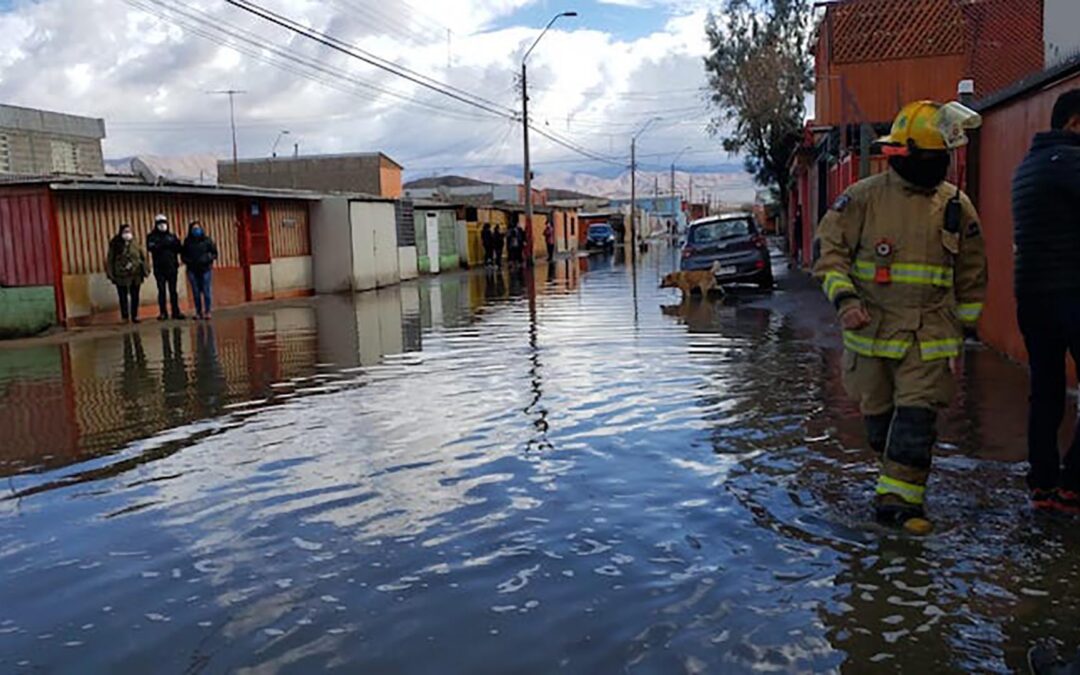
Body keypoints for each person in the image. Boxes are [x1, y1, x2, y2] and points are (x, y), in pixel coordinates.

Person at [813, 100, 988, 531]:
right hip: (870, 335)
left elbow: (972, 271)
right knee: (881, 428)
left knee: (916, 421)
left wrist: (963, 329)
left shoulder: (955, 205)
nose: (938, 167)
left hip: (928, 336)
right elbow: (829, 255)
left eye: (941, 159)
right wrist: (846, 303)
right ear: (903, 154)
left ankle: (900, 509)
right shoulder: (863, 198)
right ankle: (895, 482)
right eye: (931, 159)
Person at [1012, 89, 1080, 512]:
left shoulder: (1027, 166)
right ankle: (1073, 483)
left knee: (1047, 391)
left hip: (1032, 297)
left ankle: (1042, 484)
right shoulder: (1072, 162)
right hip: (1073, 292)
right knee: (1049, 391)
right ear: (1074, 123)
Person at [106, 223, 150, 324]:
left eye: (129, 231)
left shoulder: (135, 243)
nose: (127, 234)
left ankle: (135, 316)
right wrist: (111, 273)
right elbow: (110, 259)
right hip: (121, 274)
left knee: (135, 295)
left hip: (135, 274)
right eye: (125, 231)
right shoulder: (115, 244)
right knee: (123, 296)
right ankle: (125, 316)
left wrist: (146, 270)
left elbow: (142, 256)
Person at [146, 214, 185, 321]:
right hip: (159, 269)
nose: (162, 225)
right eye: (160, 223)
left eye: (164, 223)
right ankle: (163, 312)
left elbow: (179, 248)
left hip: (172, 267)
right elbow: (151, 247)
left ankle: (176, 311)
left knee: (173, 291)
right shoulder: (151, 237)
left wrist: (173, 243)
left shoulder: (172, 236)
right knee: (162, 291)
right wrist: (164, 243)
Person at [181, 220, 218, 320]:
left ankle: (208, 311)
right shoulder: (187, 242)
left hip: (205, 269)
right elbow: (183, 255)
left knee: (206, 290)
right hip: (192, 270)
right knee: (196, 292)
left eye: (198, 228)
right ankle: (198, 312)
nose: (196, 230)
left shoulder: (207, 240)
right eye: (194, 229)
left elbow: (214, 253)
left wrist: (207, 258)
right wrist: (189, 261)